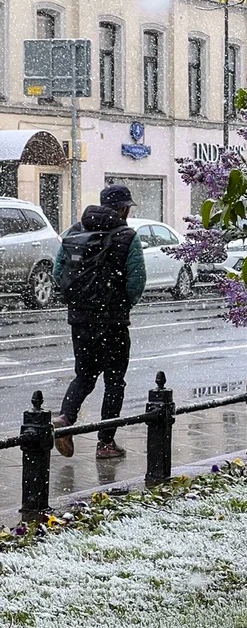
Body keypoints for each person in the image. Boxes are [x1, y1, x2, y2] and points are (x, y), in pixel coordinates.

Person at [51, 184, 146, 459]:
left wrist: (81, 302)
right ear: (123, 208)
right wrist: (122, 303)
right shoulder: (128, 236)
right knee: (115, 381)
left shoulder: (74, 232)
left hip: (80, 320)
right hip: (113, 322)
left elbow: (59, 273)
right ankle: (105, 443)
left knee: (84, 375)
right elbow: (137, 281)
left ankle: (65, 419)